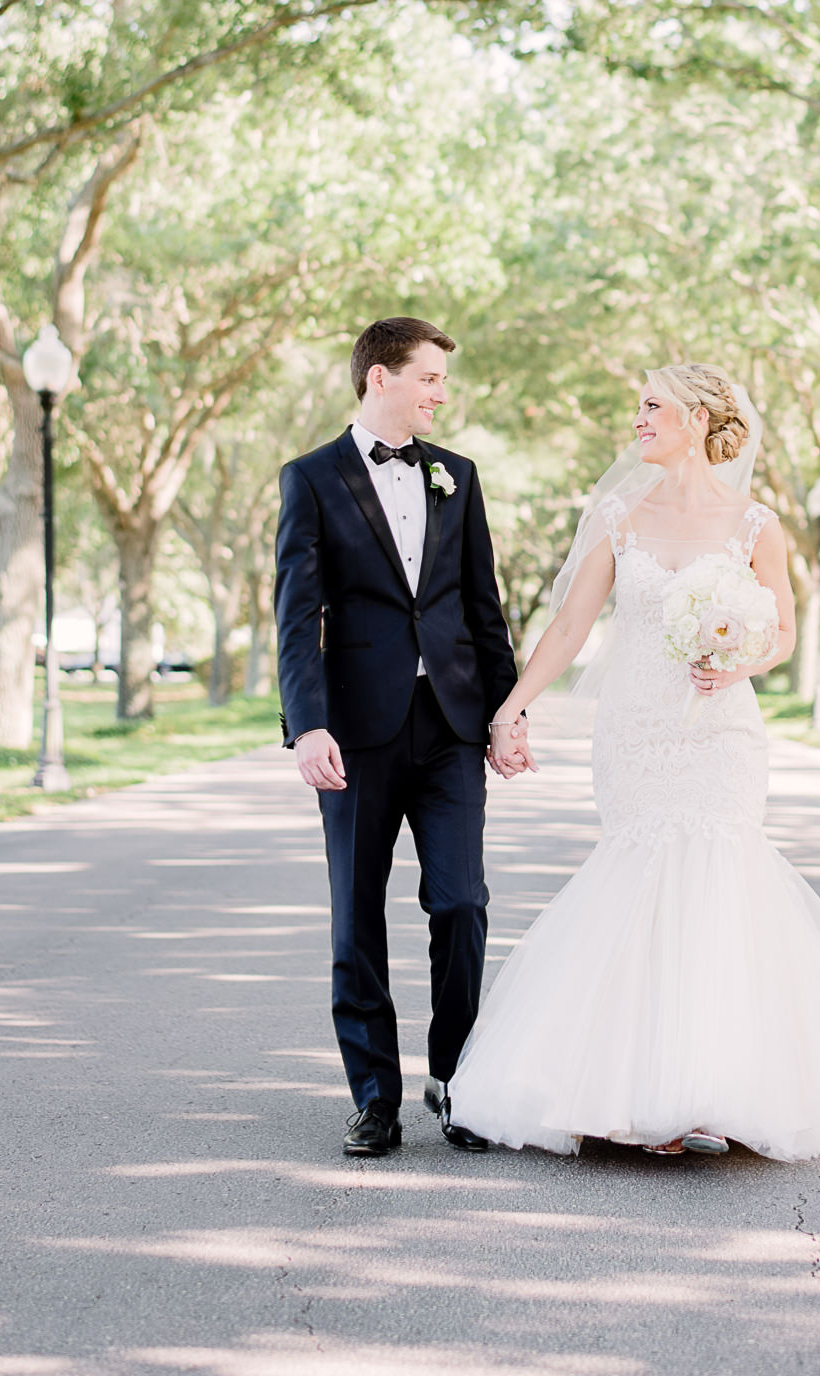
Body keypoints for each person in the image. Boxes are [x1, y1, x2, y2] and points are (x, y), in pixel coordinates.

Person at [448, 364, 820, 1161]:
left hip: (721, 734)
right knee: (641, 883)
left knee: (720, 889)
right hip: (637, 730)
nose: (638, 421)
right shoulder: (617, 516)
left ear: (694, 420)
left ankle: (714, 1090)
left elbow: (783, 633)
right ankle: (630, 1093)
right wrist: (513, 707)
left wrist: (739, 662)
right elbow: (568, 630)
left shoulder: (757, 525)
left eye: (651, 408)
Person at [275, 317, 521, 1159]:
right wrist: (306, 724)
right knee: (357, 919)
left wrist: (506, 712)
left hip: (451, 725)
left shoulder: (458, 475)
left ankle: (454, 1079)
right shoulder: (310, 479)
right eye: (430, 378)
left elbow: (482, 607)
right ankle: (374, 1099)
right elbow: (296, 614)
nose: (441, 394)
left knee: (461, 903)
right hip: (356, 733)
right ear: (381, 378)